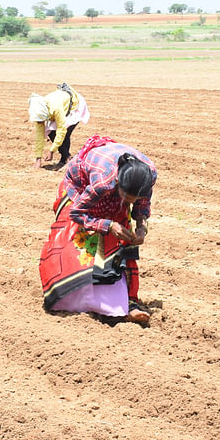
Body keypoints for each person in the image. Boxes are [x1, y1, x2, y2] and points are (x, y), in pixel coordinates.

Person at [39, 134, 156, 325]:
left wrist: (142, 226)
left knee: (124, 243)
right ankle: (77, 298)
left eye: (133, 200)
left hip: (110, 186)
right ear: (118, 184)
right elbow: (77, 213)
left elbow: (142, 205)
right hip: (81, 186)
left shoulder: (148, 176)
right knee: (80, 243)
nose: (129, 204)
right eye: (126, 199)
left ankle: (127, 303)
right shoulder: (103, 182)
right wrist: (107, 225)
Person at [28, 83, 90, 168]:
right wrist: (38, 158)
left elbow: (62, 130)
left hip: (75, 106)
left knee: (66, 133)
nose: (40, 123)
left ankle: (67, 159)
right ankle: (66, 158)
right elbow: (39, 136)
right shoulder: (39, 110)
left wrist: (51, 151)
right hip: (61, 106)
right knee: (51, 132)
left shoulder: (56, 108)